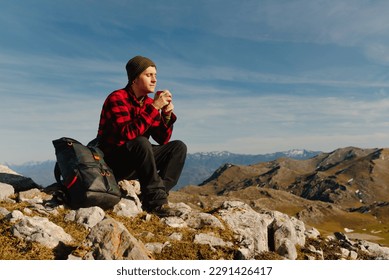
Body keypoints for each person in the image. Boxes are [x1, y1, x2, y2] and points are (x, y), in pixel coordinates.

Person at [95, 55, 187, 217]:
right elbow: (127, 134)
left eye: (155, 76)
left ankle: (156, 195)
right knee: (141, 142)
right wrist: (155, 107)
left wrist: (166, 115)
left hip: (137, 158)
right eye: (148, 75)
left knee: (178, 147)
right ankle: (156, 204)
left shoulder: (147, 103)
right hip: (114, 161)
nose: (154, 80)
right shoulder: (117, 98)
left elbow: (162, 139)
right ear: (134, 79)